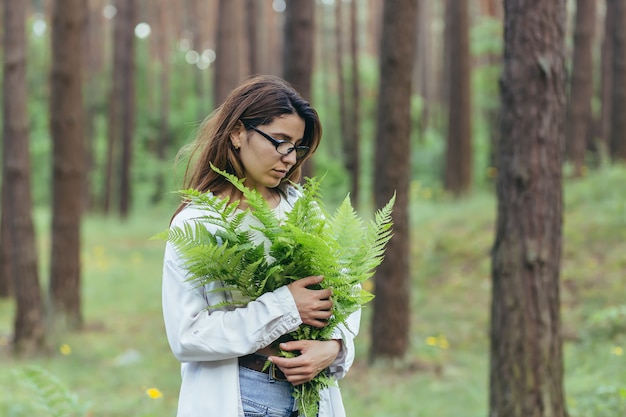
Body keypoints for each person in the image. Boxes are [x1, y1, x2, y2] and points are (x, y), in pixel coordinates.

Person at [162, 75, 361, 417]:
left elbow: (346, 289)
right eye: (279, 141)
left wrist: (334, 346)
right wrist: (286, 308)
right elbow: (188, 335)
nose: (288, 157)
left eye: (297, 146)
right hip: (242, 397)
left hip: (309, 397)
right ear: (238, 133)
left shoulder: (302, 208)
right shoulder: (198, 223)